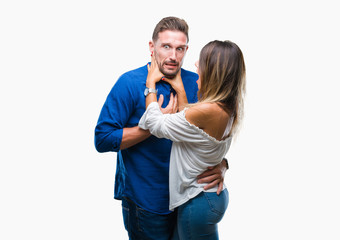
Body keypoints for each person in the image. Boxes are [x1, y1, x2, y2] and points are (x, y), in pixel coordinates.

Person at [94, 17, 229, 239]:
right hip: (146, 202)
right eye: (166, 47)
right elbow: (103, 139)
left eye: (180, 48)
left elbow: (214, 133)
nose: (173, 56)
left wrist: (222, 165)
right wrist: (153, 127)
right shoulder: (129, 82)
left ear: (187, 49)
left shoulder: (197, 83)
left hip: (189, 199)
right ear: (152, 47)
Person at [138, 40, 246, 239]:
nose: (196, 64)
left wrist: (151, 84)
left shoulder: (207, 110)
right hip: (210, 196)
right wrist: (223, 165)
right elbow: (190, 129)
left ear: (214, 71)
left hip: (199, 200)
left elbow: (154, 124)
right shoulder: (226, 107)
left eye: (202, 61)